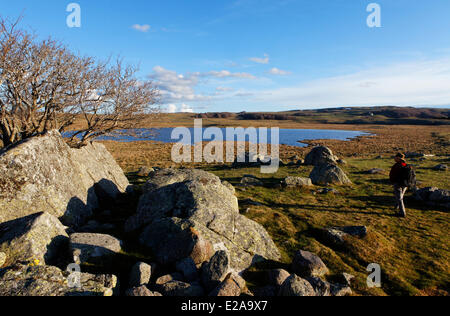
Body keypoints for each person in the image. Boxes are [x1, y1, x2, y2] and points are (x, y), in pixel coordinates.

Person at [389, 153, 408, 218]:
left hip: (398, 183)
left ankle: (402, 213)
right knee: (400, 197)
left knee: (399, 198)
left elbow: (394, 174)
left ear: (399, 158)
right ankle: (396, 207)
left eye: (395, 157)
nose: (394, 158)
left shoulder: (398, 165)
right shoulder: (405, 164)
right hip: (405, 184)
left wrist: (393, 181)